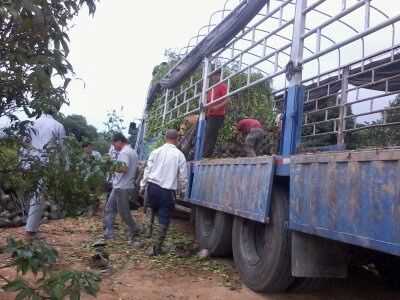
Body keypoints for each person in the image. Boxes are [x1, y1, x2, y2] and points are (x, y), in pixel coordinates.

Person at [140, 129, 187, 256]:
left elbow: (147, 170)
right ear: (177, 139)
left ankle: (146, 239)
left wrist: (142, 186)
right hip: (167, 191)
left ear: (165, 138)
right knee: (164, 218)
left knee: (150, 211)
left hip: (152, 187)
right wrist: (182, 191)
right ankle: (156, 248)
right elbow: (183, 177)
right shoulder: (179, 155)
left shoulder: (155, 152)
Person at [25, 111, 66, 239]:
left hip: (30, 163)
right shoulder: (57, 125)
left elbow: (24, 143)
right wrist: (66, 167)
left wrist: (22, 164)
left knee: (33, 196)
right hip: (45, 165)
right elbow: (63, 148)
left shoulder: (31, 123)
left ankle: (31, 228)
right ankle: (30, 232)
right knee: (38, 197)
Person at [103, 133, 139, 243]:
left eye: (114, 145)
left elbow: (123, 168)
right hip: (121, 186)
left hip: (122, 187)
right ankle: (109, 233)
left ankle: (134, 228)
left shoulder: (124, 152)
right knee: (109, 209)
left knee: (124, 213)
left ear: (119, 141)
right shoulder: (132, 151)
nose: (114, 147)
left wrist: (110, 164)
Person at [203, 69, 229, 158]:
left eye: (216, 75)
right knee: (207, 135)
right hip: (210, 115)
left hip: (218, 115)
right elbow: (209, 101)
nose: (214, 77)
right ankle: (205, 154)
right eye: (213, 75)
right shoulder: (211, 88)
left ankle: (206, 155)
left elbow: (227, 100)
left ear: (219, 76)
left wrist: (216, 107)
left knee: (210, 136)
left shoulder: (222, 86)